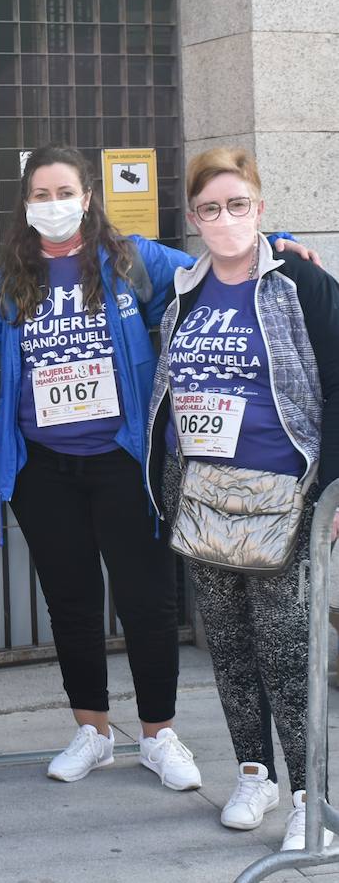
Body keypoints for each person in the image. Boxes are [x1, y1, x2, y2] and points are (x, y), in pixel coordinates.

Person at [0, 145, 205, 792]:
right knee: (72, 604)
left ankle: (159, 736)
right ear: (26, 205)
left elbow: (214, 275)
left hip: (124, 464)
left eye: (64, 192)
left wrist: (277, 248)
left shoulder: (132, 261)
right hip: (43, 471)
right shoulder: (8, 282)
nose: (52, 205)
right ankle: (93, 731)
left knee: (148, 601)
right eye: (40, 194)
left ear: (88, 197)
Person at [146, 147, 339, 851]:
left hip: (281, 496)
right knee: (226, 648)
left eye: (238, 205)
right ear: (193, 219)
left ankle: (308, 797)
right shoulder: (185, 289)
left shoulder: (299, 283)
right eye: (209, 208)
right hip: (201, 493)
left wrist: (335, 489)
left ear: (260, 208)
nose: (224, 218)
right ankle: (254, 774)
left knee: (285, 652)